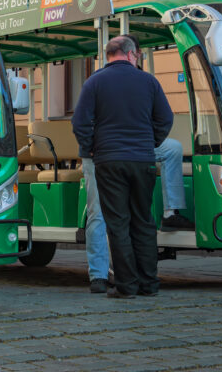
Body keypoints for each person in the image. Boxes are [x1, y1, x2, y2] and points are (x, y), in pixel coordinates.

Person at [72, 35, 173, 299]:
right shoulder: (149, 81)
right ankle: (149, 284)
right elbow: (165, 118)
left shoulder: (94, 82)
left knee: (117, 223)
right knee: (143, 220)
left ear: (109, 55)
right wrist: (150, 142)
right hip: (142, 161)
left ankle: (126, 286)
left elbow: (80, 122)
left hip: (109, 161)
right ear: (130, 54)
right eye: (137, 56)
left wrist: (91, 145)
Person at [80, 136, 191, 293]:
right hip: (102, 148)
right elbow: (81, 121)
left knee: (173, 148)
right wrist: (91, 143)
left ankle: (170, 212)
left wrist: (147, 134)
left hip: (134, 142)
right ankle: (99, 275)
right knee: (97, 212)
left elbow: (162, 116)